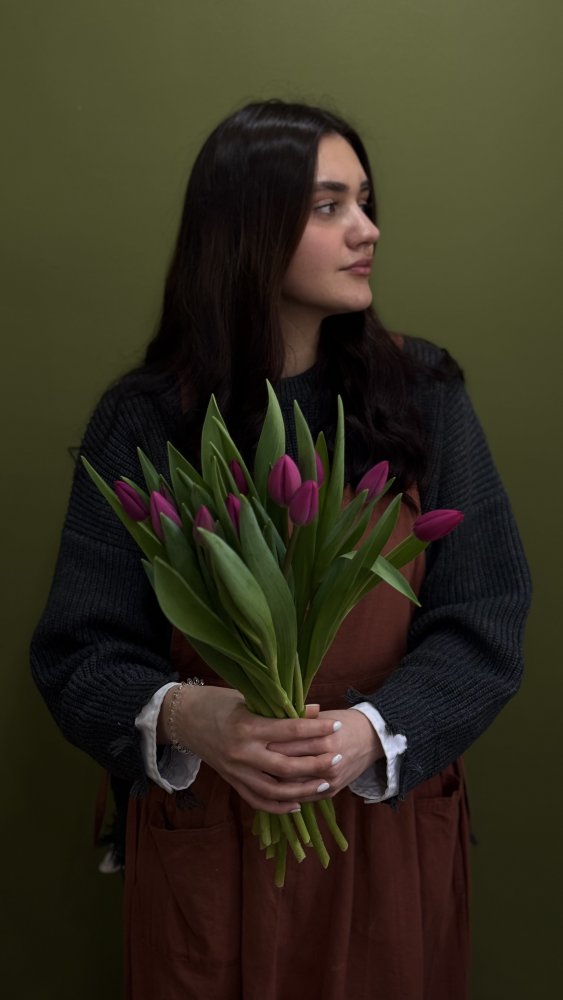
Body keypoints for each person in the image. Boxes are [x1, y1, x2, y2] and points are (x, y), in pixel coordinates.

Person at [31, 100, 531, 1000]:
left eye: (365, 202)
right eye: (329, 206)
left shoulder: (423, 395)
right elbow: (77, 651)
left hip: (384, 830)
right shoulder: (145, 420)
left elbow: (486, 615)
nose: (367, 230)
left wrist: (370, 733)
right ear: (246, 230)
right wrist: (193, 720)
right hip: (208, 839)